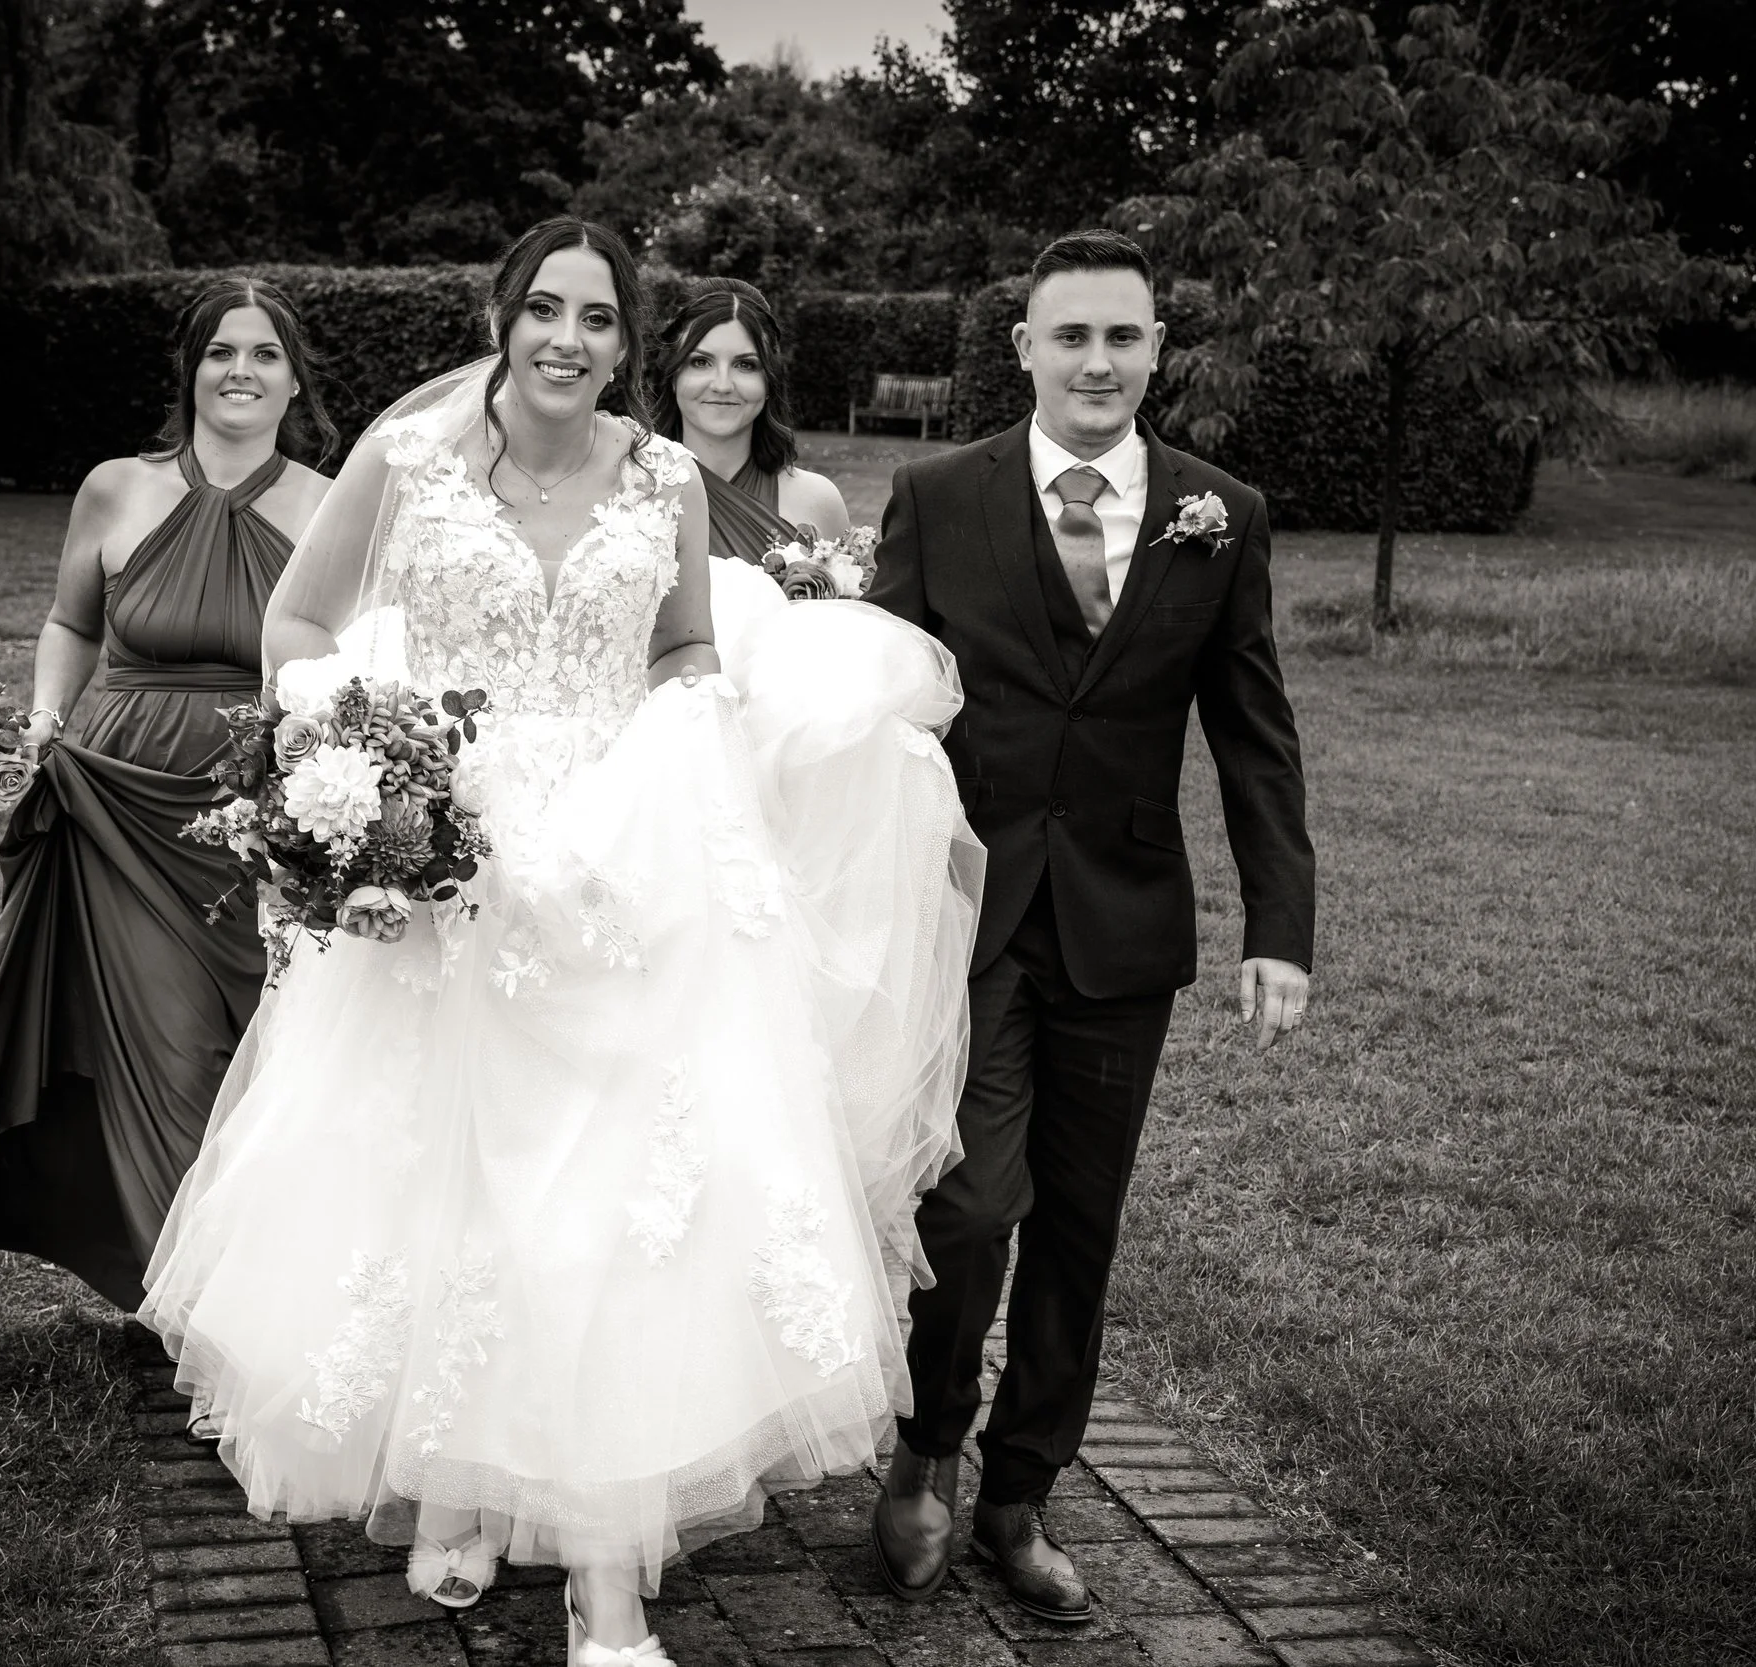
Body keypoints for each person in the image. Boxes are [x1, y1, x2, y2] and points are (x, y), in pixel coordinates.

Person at [138, 219, 981, 1665]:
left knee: (611, 1212)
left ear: (623, 341)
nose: (569, 341)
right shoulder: (404, 465)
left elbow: (682, 652)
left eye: (598, 320)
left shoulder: (660, 477)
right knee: (456, 1191)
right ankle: (467, 1479)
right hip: (452, 868)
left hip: (626, 868)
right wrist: (368, 751)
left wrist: (677, 755)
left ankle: (608, 1582)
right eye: (545, 310)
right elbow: (295, 622)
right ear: (500, 314)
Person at [864, 229, 1316, 1623]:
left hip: (1124, 924)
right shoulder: (938, 497)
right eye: (1072, 336)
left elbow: (1253, 731)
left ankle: (1021, 1490)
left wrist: (1279, 923)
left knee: (1079, 1224)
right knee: (971, 1197)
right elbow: (879, 710)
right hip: (972, 917)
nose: (1099, 362)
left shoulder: (1217, 511)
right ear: (1026, 349)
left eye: (1123, 336)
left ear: (1155, 348)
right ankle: (925, 1454)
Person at [0, 277, 336, 1310]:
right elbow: (71, 621)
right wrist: (44, 717)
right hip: (120, 800)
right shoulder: (115, 489)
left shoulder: (326, 504)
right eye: (221, 352)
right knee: (167, 1049)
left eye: (265, 354)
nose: (240, 372)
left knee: (256, 1050)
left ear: (295, 376)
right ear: (188, 370)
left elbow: (347, 653)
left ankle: (260, 1279)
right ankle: (195, 1300)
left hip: (253, 807)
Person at [650, 278, 850, 564]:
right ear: (673, 377)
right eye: (700, 362)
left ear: (770, 382)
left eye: (745, 365)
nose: (722, 385)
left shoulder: (819, 500)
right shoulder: (633, 493)